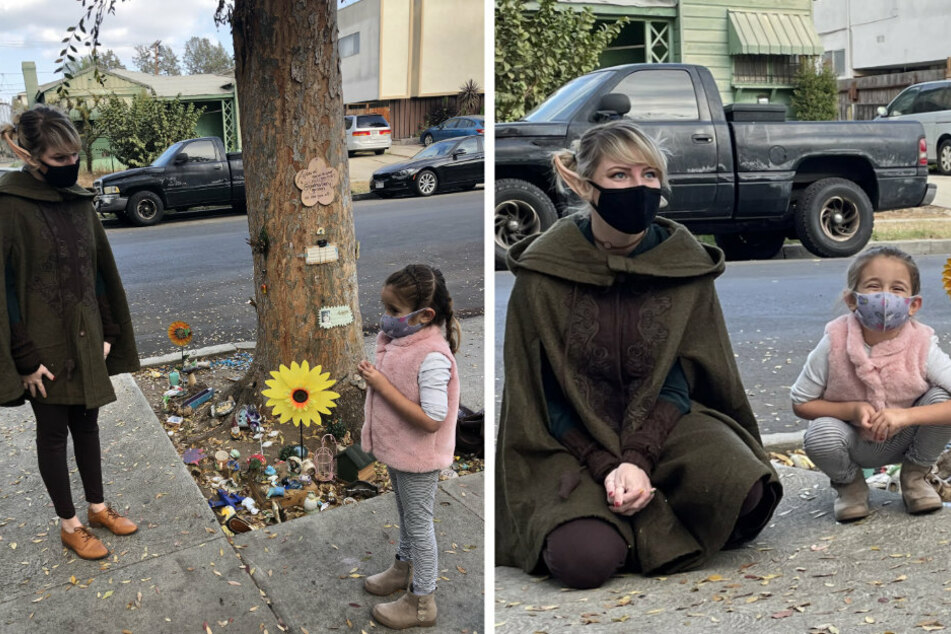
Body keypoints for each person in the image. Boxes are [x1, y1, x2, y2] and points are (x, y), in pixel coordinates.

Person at [495, 119, 782, 590]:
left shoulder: (682, 265)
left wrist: (639, 459)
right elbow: (541, 395)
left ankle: (642, 502)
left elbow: (683, 376)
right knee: (583, 561)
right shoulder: (543, 274)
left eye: (650, 175)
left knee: (745, 491)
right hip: (570, 439)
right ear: (586, 186)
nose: (639, 187)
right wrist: (607, 466)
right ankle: (618, 518)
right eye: (620, 176)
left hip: (666, 425)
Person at [0, 106, 140, 560]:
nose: (71, 166)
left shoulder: (80, 204)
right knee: (54, 432)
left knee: (89, 423)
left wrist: (109, 331)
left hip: (87, 337)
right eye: (60, 158)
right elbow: (4, 290)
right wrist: (23, 357)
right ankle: (70, 523)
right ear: (30, 154)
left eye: (75, 156)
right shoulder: (8, 206)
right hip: (40, 346)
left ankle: (97, 507)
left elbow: (98, 272)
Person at [793, 246, 951, 521]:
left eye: (897, 288)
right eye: (873, 286)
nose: (885, 297)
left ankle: (915, 478)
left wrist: (906, 415)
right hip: (854, 443)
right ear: (852, 300)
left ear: (914, 304)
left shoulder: (922, 344)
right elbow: (801, 402)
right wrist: (851, 410)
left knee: (939, 399)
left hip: (908, 440)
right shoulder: (834, 341)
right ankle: (850, 485)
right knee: (819, 433)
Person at [358, 264, 461, 629]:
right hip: (400, 452)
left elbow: (432, 418)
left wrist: (381, 385)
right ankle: (404, 568)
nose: (386, 319)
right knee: (405, 513)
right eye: (385, 308)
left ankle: (422, 601)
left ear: (425, 315)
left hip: (419, 457)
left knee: (419, 523)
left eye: (394, 312)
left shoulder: (432, 356)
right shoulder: (403, 342)